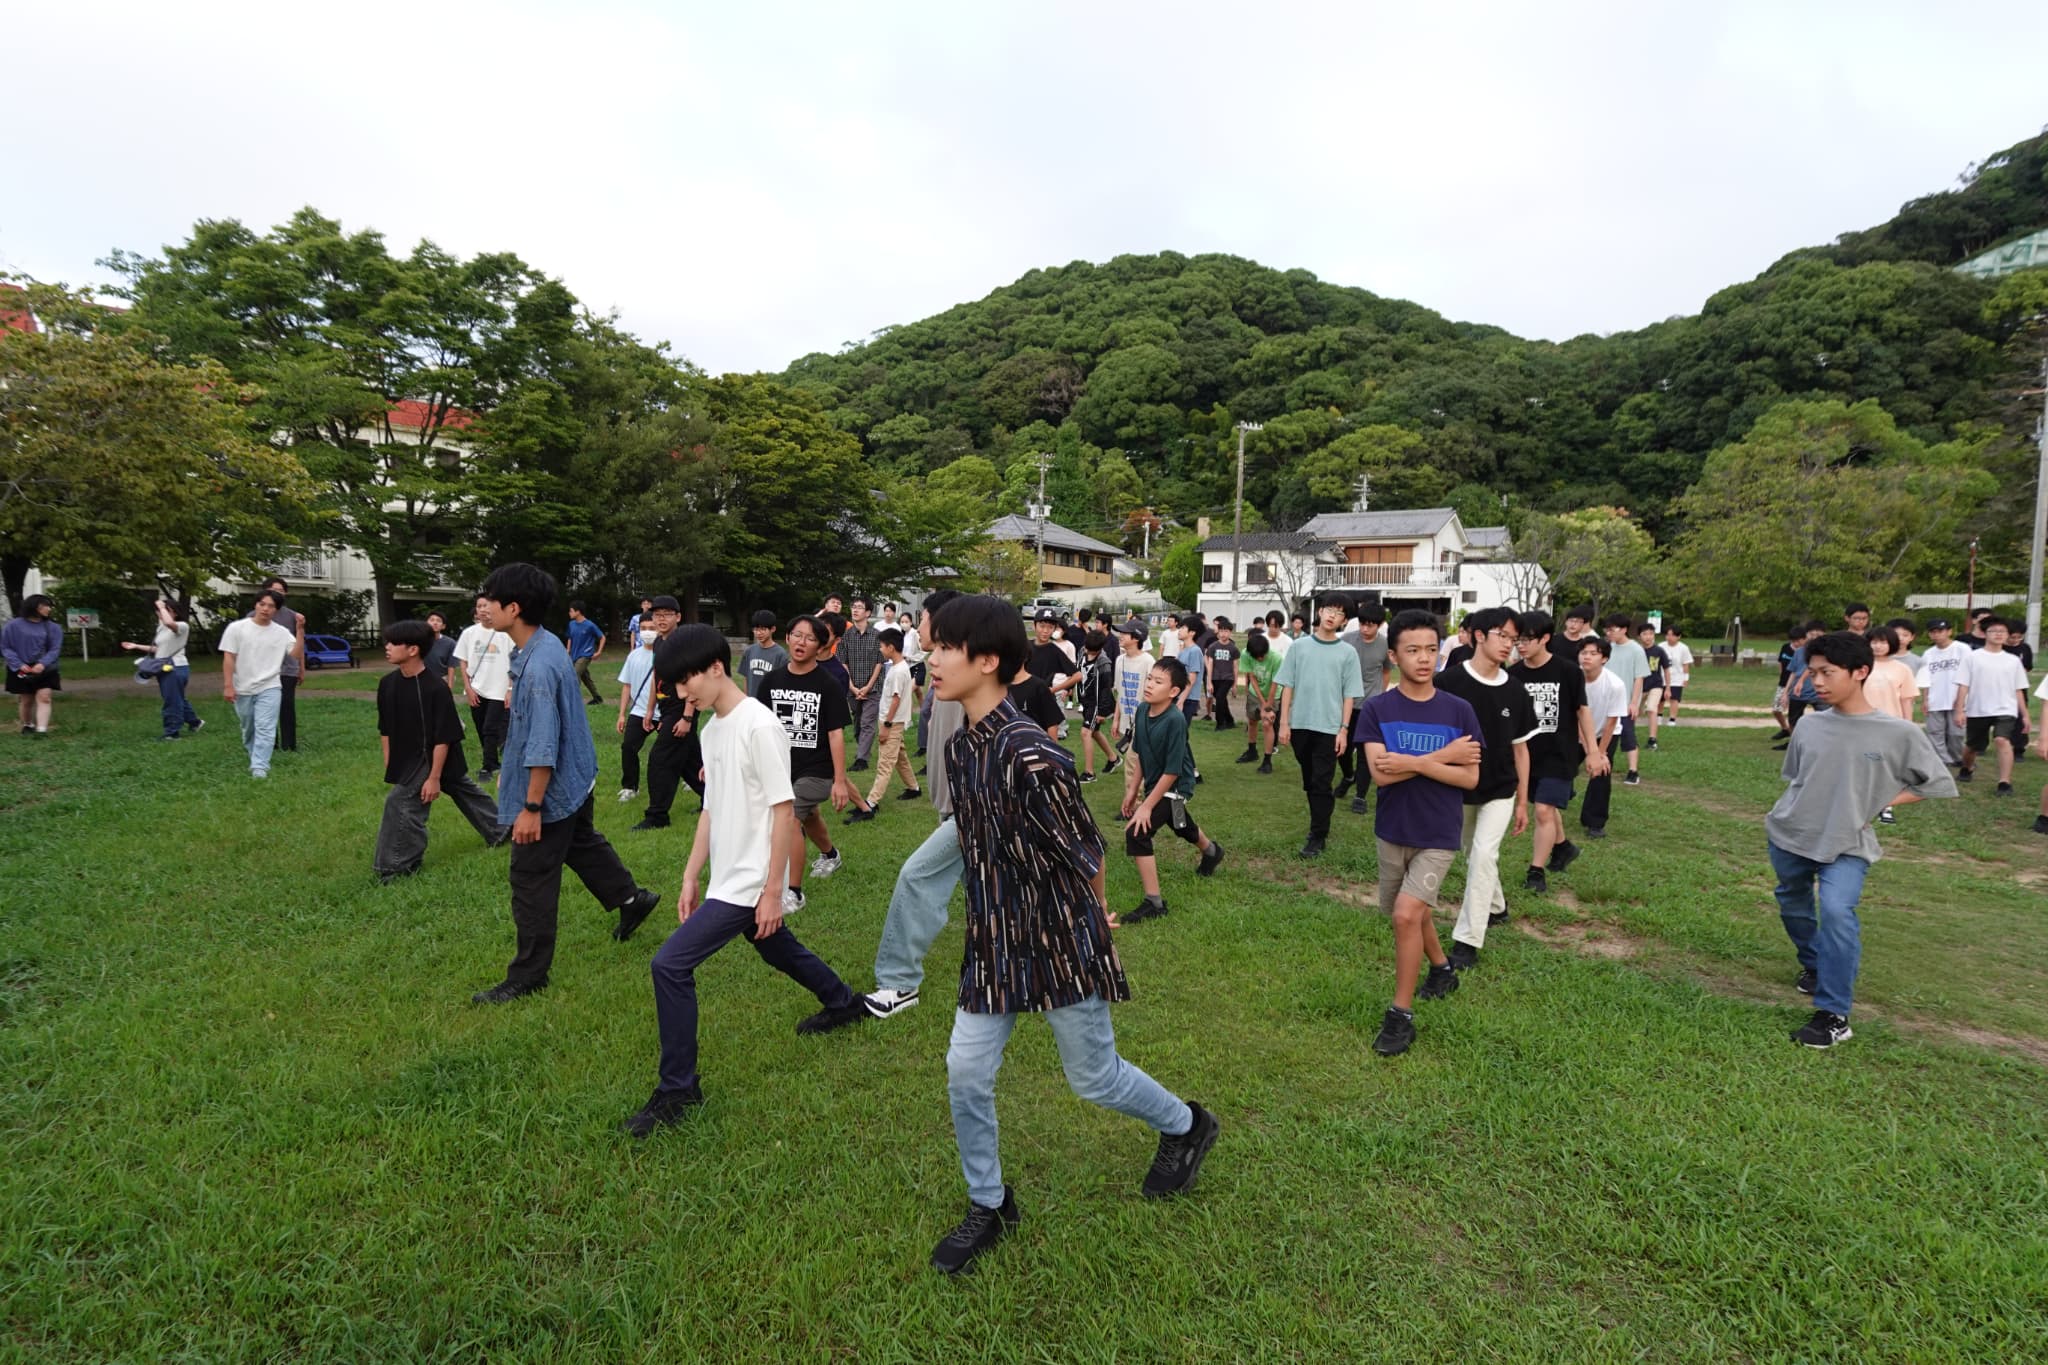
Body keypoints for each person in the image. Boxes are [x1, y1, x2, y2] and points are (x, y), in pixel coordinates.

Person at [920, 594, 1218, 1275]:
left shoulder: (1033, 754)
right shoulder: (962, 746)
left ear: (987, 661)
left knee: (1095, 1077)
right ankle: (990, 1201)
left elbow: (1088, 851)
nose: (931, 660)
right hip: (994, 937)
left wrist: (1099, 924)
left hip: (1059, 936)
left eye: (944, 648)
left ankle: (1187, 1125)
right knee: (965, 1071)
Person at [620, 625, 876, 1139]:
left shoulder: (759, 725)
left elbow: (784, 812)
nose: (682, 694)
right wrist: (691, 875)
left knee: (669, 965)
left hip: (751, 880)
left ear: (716, 668)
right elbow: (711, 810)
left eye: (686, 681)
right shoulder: (713, 730)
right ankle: (844, 1003)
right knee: (776, 947)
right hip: (728, 876)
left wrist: (772, 891)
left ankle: (678, 1089)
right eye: (674, 686)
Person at [469, 563, 659, 1005]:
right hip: (577, 778)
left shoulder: (538, 667)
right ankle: (631, 900)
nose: (483, 607)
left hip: (552, 790)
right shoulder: (546, 642)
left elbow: (542, 743)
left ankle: (528, 975)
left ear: (514, 608)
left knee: (530, 877)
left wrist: (531, 807)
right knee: (581, 844)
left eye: (491, 599)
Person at [1767, 631, 1954, 1048]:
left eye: (1827, 672)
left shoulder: (1898, 733)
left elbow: (1933, 784)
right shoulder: (1808, 725)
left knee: (1836, 911)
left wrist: (1876, 802)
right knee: (1793, 905)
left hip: (1847, 842)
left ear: (1860, 672)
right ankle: (1814, 964)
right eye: (1813, 672)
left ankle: (1833, 1014)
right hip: (1790, 834)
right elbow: (1796, 779)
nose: (1817, 682)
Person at [1357, 609, 1482, 1057]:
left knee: (1406, 915)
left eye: (1431, 649)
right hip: (1393, 829)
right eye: (1413, 650)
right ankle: (1442, 969)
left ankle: (1401, 1015)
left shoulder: (1459, 710)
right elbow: (1381, 775)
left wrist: (1411, 762)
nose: (1424, 658)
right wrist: (1443, 757)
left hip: (1438, 832)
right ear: (1394, 656)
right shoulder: (1378, 709)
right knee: (1415, 909)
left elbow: (1470, 778)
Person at [863, 587, 965, 1021]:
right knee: (992, 893)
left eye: (922, 617)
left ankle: (899, 982)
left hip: (969, 811)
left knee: (917, 877)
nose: (916, 624)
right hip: (950, 806)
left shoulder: (966, 676)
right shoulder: (940, 672)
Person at [1436, 608, 1540, 969]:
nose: (1510, 645)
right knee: (1472, 853)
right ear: (1479, 635)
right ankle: (1496, 906)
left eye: (1514, 639)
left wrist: (1523, 801)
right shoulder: (1448, 682)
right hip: (1459, 786)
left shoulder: (1516, 689)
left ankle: (1467, 941)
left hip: (1501, 789)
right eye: (1503, 636)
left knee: (1483, 855)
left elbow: (1521, 750)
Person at [373, 620, 507, 882]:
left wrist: (434, 777)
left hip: (431, 757)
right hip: (408, 758)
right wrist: (390, 761)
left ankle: (397, 866)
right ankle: (501, 828)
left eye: (393, 643)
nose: (387, 647)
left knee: (400, 802)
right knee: (462, 788)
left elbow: (444, 736)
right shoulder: (387, 684)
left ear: (413, 650)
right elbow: (385, 727)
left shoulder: (435, 688)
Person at [756, 615, 856, 910]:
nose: (802, 642)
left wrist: (840, 781)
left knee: (791, 818)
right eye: (797, 635)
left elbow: (835, 734)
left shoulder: (827, 684)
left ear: (820, 646)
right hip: (782, 766)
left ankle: (794, 893)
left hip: (818, 770)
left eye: (810, 638)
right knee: (808, 815)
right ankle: (830, 855)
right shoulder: (771, 681)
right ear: (787, 638)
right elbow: (758, 726)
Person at [1120, 657, 1226, 923]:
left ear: (1174, 691)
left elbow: (1173, 771)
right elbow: (1141, 751)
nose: (1150, 684)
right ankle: (1212, 851)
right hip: (1157, 784)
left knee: (1137, 832)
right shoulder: (1143, 710)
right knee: (1180, 825)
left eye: (1158, 681)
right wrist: (1133, 790)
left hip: (1175, 786)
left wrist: (1146, 806)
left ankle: (1154, 903)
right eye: (1150, 678)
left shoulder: (1175, 720)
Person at [1511, 611, 1605, 892]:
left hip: (1559, 754)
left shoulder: (1568, 671)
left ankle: (1536, 872)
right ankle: (1563, 847)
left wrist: (1593, 751)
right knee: (1546, 806)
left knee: (1543, 810)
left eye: (1526, 640)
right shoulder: (1512, 675)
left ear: (1545, 639)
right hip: (1527, 756)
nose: (1520, 645)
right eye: (1517, 640)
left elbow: (1582, 711)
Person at [1275, 592, 1366, 859]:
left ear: (1344, 621)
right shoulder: (1299, 647)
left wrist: (1344, 729)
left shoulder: (1348, 653)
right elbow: (1287, 685)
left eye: (1339, 613)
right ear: (1319, 612)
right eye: (1329, 610)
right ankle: (1318, 824)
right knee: (1310, 779)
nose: (1332, 616)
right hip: (1300, 724)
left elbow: (1349, 695)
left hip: (1329, 728)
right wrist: (1284, 723)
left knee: (1321, 781)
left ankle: (1318, 835)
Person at [631, 596, 704, 830]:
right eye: (657, 615)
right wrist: (650, 710)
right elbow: (657, 676)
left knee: (660, 760)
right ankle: (713, 800)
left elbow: (693, 679)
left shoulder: (683, 644)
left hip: (683, 708)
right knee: (690, 762)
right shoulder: (660, 643)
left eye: (666, 614)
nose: (661, 619)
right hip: (666, 708)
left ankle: (657, 816)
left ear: (678, 617)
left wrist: (687, 717)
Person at [219, 590, 297, 779]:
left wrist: (301, 630)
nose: (265, 609)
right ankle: (254, 753)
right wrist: (228, 685)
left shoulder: (281, 633)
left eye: (271, 606)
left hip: (270, 685)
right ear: (255, 605)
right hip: (242, 686)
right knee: (249, 726)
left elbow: (295, 654)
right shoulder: (237, 628)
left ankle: (260, 767)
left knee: (266, 727)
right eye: (262, 604)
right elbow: (229, 657)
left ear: (276, 610)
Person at [1954, 617, 2031, 796]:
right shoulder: (1972, 658)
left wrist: (2025, 715)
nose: (1998, 634)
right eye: (1994, 631)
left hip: (2006, 708)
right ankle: (1967, 768)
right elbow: (1963, 685)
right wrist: (1959, 710)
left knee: (2002, 740)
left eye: (2002, 631)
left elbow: (2018, 689)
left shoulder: (2013, 661)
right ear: (1985, 634)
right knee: (1973, 746)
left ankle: (2004, 782)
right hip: (1978, 709)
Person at [847, 628, 919, 818]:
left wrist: (887, 726)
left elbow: (895, 700)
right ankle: (914, 788)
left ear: (891, 647)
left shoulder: (898, 671)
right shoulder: (897, 668)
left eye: (881, 646)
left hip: (891, 723)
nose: (880, 649)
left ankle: (871, 803)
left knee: (885, 764)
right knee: (900, 757)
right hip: (891, 721)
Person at [1334, 602, 1389, 816]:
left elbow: (1386, 671)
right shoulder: (1347, 640)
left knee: (1366, 753)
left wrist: (1381, 697)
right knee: (1342, 749)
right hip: (1347, 703)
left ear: (1379, 625)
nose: (1365, 629)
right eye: (1362, 624)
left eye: (1370, 625)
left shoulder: (1385, 644)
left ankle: (1360, 796)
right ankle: (1349, 776)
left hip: (1370, 706)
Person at [1863, 625, 1922, 825]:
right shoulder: (1860, 666)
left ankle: (1885, 805)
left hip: (1890, 724)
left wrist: (1908, 726)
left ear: (1892, 644)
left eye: (1883, 642)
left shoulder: (1902, 669)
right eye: (1874, 642)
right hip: (1861, 722)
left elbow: (1907, 700)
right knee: (1864, 763)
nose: (1878, 646)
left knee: (1886, 766)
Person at [120, 598, 203, 740]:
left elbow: (169, 623)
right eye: (158, 611)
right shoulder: (161, 628)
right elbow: (159, 649)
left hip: (176, 667)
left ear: (174, 613)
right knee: (177, 698)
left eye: (164, 610)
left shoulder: (182, 626)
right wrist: (136, 646)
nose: (159, 613)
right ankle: (195, 722)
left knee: (172, 701)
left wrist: (162, 606)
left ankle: (172, 733)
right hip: (163, 667)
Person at [456, 597, 514, 780]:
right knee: (481, 727)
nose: (482, 609)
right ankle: (493, 762)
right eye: (479, 606)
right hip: (476, 689)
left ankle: (487, 767)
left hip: (499, 689)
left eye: (486, 605)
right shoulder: (469, 633)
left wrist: (510, 689)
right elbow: (463, 661)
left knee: (490, 728)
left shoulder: (505, 633)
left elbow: (515, 662)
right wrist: (468, 687)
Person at [1576, 637, 1626, 841]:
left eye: (1593, 653)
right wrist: (1588, 750)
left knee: (1601, 772)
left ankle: (1595, 822)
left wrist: (1600, 753)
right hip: (1578, 732)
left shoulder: (1615, 684)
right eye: (1583, 653)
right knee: (1562, 767)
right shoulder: (1573, 679)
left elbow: (1612, 722)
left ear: (1604, 658)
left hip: (1606, 734)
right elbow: (1574, 716)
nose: (1586, 657)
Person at [1060, 629, 1121, 782]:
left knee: (1085, 732)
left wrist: (1101, 712)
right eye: (1087, 648)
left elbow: (1106, 690)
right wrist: (1068, 688)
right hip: (1085, 700)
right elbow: (1077, 672)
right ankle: (1113, 759)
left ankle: (1089, 773)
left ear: (1100, 649)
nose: (1088, 651)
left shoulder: (1104, 664)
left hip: (1096, 704)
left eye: (1092, 650)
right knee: (1094, 732)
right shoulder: (1083, 651)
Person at [258, 577, 307, 753]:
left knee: (286, 707)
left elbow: (299, 644)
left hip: (287, 669)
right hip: (263, 670)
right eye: (274, 590)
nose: (277, 593)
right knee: (266, 708)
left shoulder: (294, 616)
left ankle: (289, 745)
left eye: (281, 591)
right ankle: (270, 743)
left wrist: (301, 668)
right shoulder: (254, 616)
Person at [5, 594, 63, 737]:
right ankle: (28, 724)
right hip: (21, 667)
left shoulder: (53, 627)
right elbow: (6, 647)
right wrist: (19, 664)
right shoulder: (12, 626)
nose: (49, 609)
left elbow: (55, 649)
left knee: (45, 697)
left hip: (46, 668)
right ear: (34, 606)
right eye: (45, 605)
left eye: (50, 606)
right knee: (26, 700)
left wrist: (42, 663)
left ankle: (42, 730)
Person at [1600, 614, 1649, 783]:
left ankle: (1633, 771)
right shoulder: (1607, 648)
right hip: (1606, 700)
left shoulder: (1636, 650)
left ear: (1624, 630)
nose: (1609, 633)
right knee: (1604, 733)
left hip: (1625, 702)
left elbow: (1639, 678)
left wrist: (1634, 703)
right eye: (1607, 629)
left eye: (1612, 629)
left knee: (1628, 736)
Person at [614, 621, 658, 802]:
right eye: (644, 629)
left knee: (678, 748)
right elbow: (627, 686)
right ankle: (630, 787)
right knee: (628, 747)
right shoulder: (633, 656)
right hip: (639, 711)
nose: (647, 632)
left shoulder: (666, 653)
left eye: (652, 628)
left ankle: (692, 779)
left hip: (663, 712)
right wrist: (622, 714)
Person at [1918, 618, 1970, 767]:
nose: (1937, 635)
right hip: (1935, 698)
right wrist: (1925, 699)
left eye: (1940, 631)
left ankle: (1958, 757)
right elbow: (1925, 678)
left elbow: (1968, 675)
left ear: (1949, 631)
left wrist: (1962, 699)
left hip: (1957, 697)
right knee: (1935, 732)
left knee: (1956, 733)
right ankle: (1942, 759)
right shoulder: (1928, 653)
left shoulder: (1962, 649)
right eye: (1933, 632)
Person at [840, 596, 884, 772]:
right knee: (858, 722)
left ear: (868, 613)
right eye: (853, 607)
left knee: (867, 722)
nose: (855, 610)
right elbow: (843, 662)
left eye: (859, 607)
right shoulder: (846, 636)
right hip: (852, 687)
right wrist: (852, 686)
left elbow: (879, 663)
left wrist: (868, 687)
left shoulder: (877, 635)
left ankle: (861, 759)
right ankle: (863, 750)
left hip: (872, 687)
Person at [1778, 620, 1829, 748]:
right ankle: (1794, 744)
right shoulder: (1799, 651)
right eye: (1812, 633)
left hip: (1819, 692)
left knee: (1826, 719)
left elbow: (1811, 668)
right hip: (1798, 692)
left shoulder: (1828, 652)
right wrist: (1785, 692)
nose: (1815, 636)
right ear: (1806, 635)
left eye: (1818, 634)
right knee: (1793, 721)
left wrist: (1801, 681)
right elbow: (1793, 672)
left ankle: (1824, 743)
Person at [1239, 629, 1282, 773]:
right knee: (1252, 721)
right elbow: (1252, 678)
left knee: (1267, 723)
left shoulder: (1276, 659)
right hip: (1255, 693)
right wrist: (1262, 703)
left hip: (1273, 694)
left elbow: (1275, 683)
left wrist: (1267, 706)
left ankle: (1267, 760)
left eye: (1262, 656)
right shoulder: (1245, 654)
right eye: (1256, 656)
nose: (1260, 659)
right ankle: (1252, 751)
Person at [1112, 621, 1155, 744]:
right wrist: (1116, 720)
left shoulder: (1148, 661)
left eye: (1124, 633)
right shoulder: (1120, 660)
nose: (1120, 636)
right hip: (1125, 723)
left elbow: (1153, 696)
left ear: (1136, 638)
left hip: (1144, 723)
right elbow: (1120, 694)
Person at [565, 600, 608, 706]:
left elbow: (602, 637)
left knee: (574, 674)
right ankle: (597, 698)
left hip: (585, 655)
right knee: (585, 677)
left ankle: (573, 701)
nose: (569, 613)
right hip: (574, 655)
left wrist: (599, 652)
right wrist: (568, 650)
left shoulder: (590, 625)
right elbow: (570, 637)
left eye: (571, 611)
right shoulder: (571, 624)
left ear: (578, 612)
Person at [1638, 622, 1669, 750]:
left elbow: (1666, 669)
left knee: (1651, 708)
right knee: (1634, 712)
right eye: (1645, 634)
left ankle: (1652, 740)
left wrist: (1668, 687)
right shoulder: (1636, 651)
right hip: (1639, 687)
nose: (1648, 637)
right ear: (1639, 636)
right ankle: (1629, 737)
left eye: (1651, 634)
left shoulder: (1659, 651)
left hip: (1656, 685)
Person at [740, 609, 788, 692]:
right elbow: (746, 678)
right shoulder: (749, 651)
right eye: (756, 629)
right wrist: (746, 697)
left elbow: (783, 682)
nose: (758, 633)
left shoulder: (780, 654)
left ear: (773, 629)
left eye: (763, 629)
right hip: (752, 699)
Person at [1207, 619, 1240, 731]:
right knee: (1222, 700)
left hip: (1228, 678)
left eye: (1226, 631)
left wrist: (1235, 684)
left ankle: (1220, 723)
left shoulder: (1233, 648)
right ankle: (1230, 721)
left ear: (1230, 632)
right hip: (1215, 677)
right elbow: (1210, 664)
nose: (1223, 634)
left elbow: (1235, 667)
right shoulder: (1213, 647)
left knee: (1220, 698)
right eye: (1221, 631)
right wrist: (1209, 682)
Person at [1174, 619, 1208, 726]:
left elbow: (1192, 679)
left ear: (1192, 632)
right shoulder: (1183, 651)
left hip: (1188, 699)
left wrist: (1181, 701)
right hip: (1179, 696)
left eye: (1183, 628)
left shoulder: (1195, 651)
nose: (1179, 630)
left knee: (1181, 731)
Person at [1771, 623, 1801, 740]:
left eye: (1798, 640)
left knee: (1794, 712)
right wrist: (1781, 676)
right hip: (1783, 684)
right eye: (1793, 640)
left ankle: (1796, 735)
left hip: (1797, 685)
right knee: (1776, 709)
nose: (1795, 643)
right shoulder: (1785, 647)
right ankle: (1785, 729)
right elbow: (1780, 662)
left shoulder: (1804, 651)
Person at [1660, 623, 1694, 724]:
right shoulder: (1661, 646)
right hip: (1662, 677)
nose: (1669, 637)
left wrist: (1686, 678)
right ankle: (1658, 717)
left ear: (1678, 636)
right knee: (1660, 699)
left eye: (1672, 635)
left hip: (1676, 678)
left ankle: (1672, 719)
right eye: (1667, 635)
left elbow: (1685, 664)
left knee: (1674, 699)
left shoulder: (1683, 648)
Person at [423, 609, 459, 685]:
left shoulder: (450, 643)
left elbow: (451, 666)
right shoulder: (418, 640)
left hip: (442, 679)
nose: (435, 623)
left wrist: (449, 686)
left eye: (438, 621)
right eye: (432, 620)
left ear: (443, 626)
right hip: (421, 678)